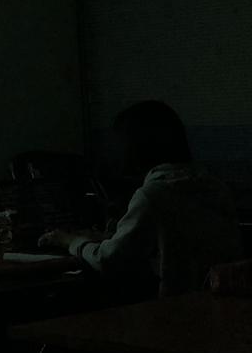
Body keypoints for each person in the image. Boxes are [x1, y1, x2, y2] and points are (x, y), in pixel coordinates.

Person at [40, 100, 238, 297]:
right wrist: (110, 236)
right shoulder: (215, 186)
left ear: (136, 146)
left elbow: (108, 260)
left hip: (173, 306)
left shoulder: (153, 194)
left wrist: (70, 241)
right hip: (218, 303)